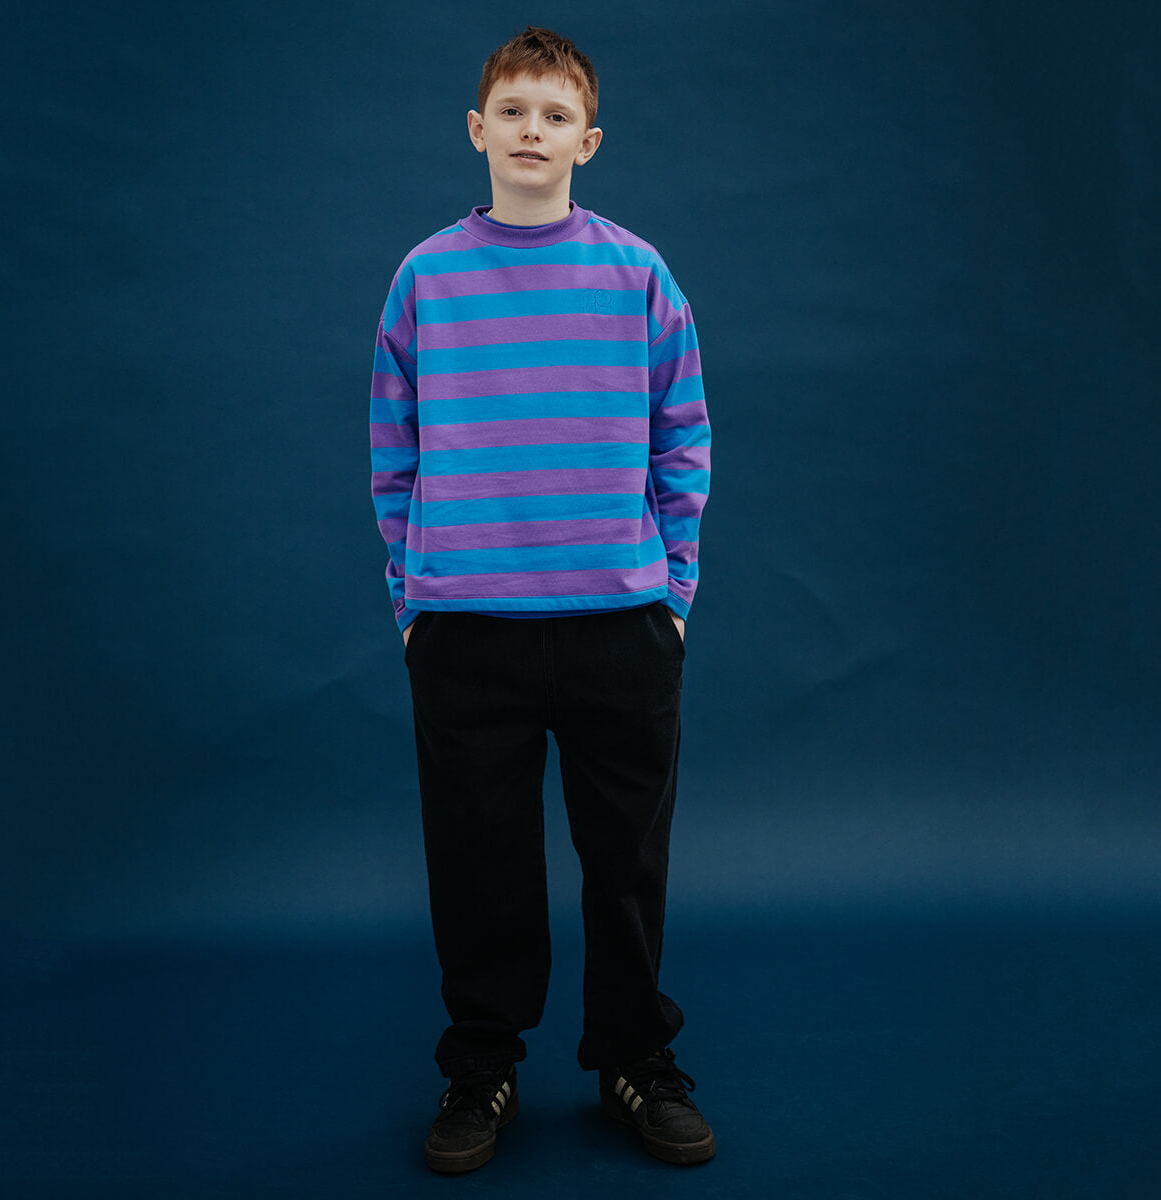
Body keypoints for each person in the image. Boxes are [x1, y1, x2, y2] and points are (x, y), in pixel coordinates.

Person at [369, 26, 713, 1173]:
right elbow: (392, 450)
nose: (532, 131)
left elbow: (683, 436)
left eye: (555, 116)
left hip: (622, 627)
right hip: (467, 634)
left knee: (627, 866)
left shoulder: (639, 275)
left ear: (588, 142)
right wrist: (412, 599)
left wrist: (673, 591)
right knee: (481, 870)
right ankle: (483, 1066)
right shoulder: (425, 279)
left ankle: (634, 1057)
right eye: (512, 111)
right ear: (478, 130)